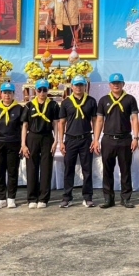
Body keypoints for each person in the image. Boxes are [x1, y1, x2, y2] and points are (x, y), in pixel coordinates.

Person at [93, 73, 139, 208]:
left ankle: (125, 198)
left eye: (119, 83)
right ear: (109, 85)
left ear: (123, 84)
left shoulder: (130, 99)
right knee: (107, 171)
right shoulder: (104, 100)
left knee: (125, 170)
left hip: (125, 139)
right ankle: (108, 198)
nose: (116, 85)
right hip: (108, 139)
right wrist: (96, 140)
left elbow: (134, 119)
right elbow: (99, 120)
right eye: (114, 83)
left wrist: (136, 137)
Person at [58, 75, 98, 208]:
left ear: (85, 86)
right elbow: (62, 123)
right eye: (76, 85)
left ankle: (87, 197)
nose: (79, 87)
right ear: (72, 86)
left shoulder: (91, 101)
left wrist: (95, 139)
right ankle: (67, 197)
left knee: (87, 169)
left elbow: (95, 120)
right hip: (70, 139)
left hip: (85, 138)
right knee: (68, 169)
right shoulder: (66, 102)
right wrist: (61, 141)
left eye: (81, 85)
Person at [21, 78, 61, 208]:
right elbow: (25, 126)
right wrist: (23, 144)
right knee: (32, 167)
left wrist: (56, 140)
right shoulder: (29, 105)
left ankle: (43, 198)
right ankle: (32, 198)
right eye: (39, 90)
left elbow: (56, 123)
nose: (42, 93)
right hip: (32, 137)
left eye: (44, 90)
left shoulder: (53, 105)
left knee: (46, 167)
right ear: (35, 91)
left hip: (47, 137)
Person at [0, 81, 24, 208]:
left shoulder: (19, 109)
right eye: (5, 93)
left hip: (14, 143)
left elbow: (23, 127)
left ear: (13, 94)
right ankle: (1, 198)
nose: (7, 95)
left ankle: (11, 197)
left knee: (12, 171)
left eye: (9, 93)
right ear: (0, 94)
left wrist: (23, 144)